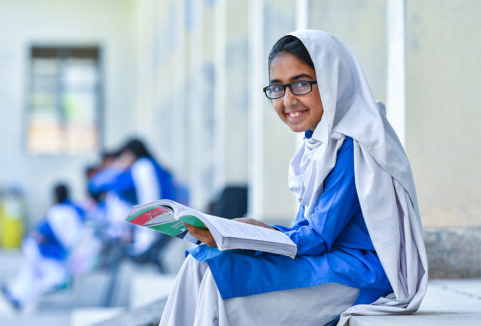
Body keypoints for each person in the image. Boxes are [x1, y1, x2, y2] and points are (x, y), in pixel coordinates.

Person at [159, 30, 428, 326]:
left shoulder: (355, 143)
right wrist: (250, 234)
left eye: (301, 84)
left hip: (359, 273)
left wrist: (254, 234)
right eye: (277, 88)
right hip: (324, 262)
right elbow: (310, 234)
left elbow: (318, 237)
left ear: (331, 80)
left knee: (221, 280)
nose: (288, 100)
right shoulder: (321, 142)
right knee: (199, 260)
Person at [0, 183, 86, 310]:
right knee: (33, 274)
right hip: (46, 248)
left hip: (45, 249)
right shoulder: (74, 209)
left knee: (40, 276)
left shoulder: (57, 211)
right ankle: (17, 296)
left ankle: (18, 297)